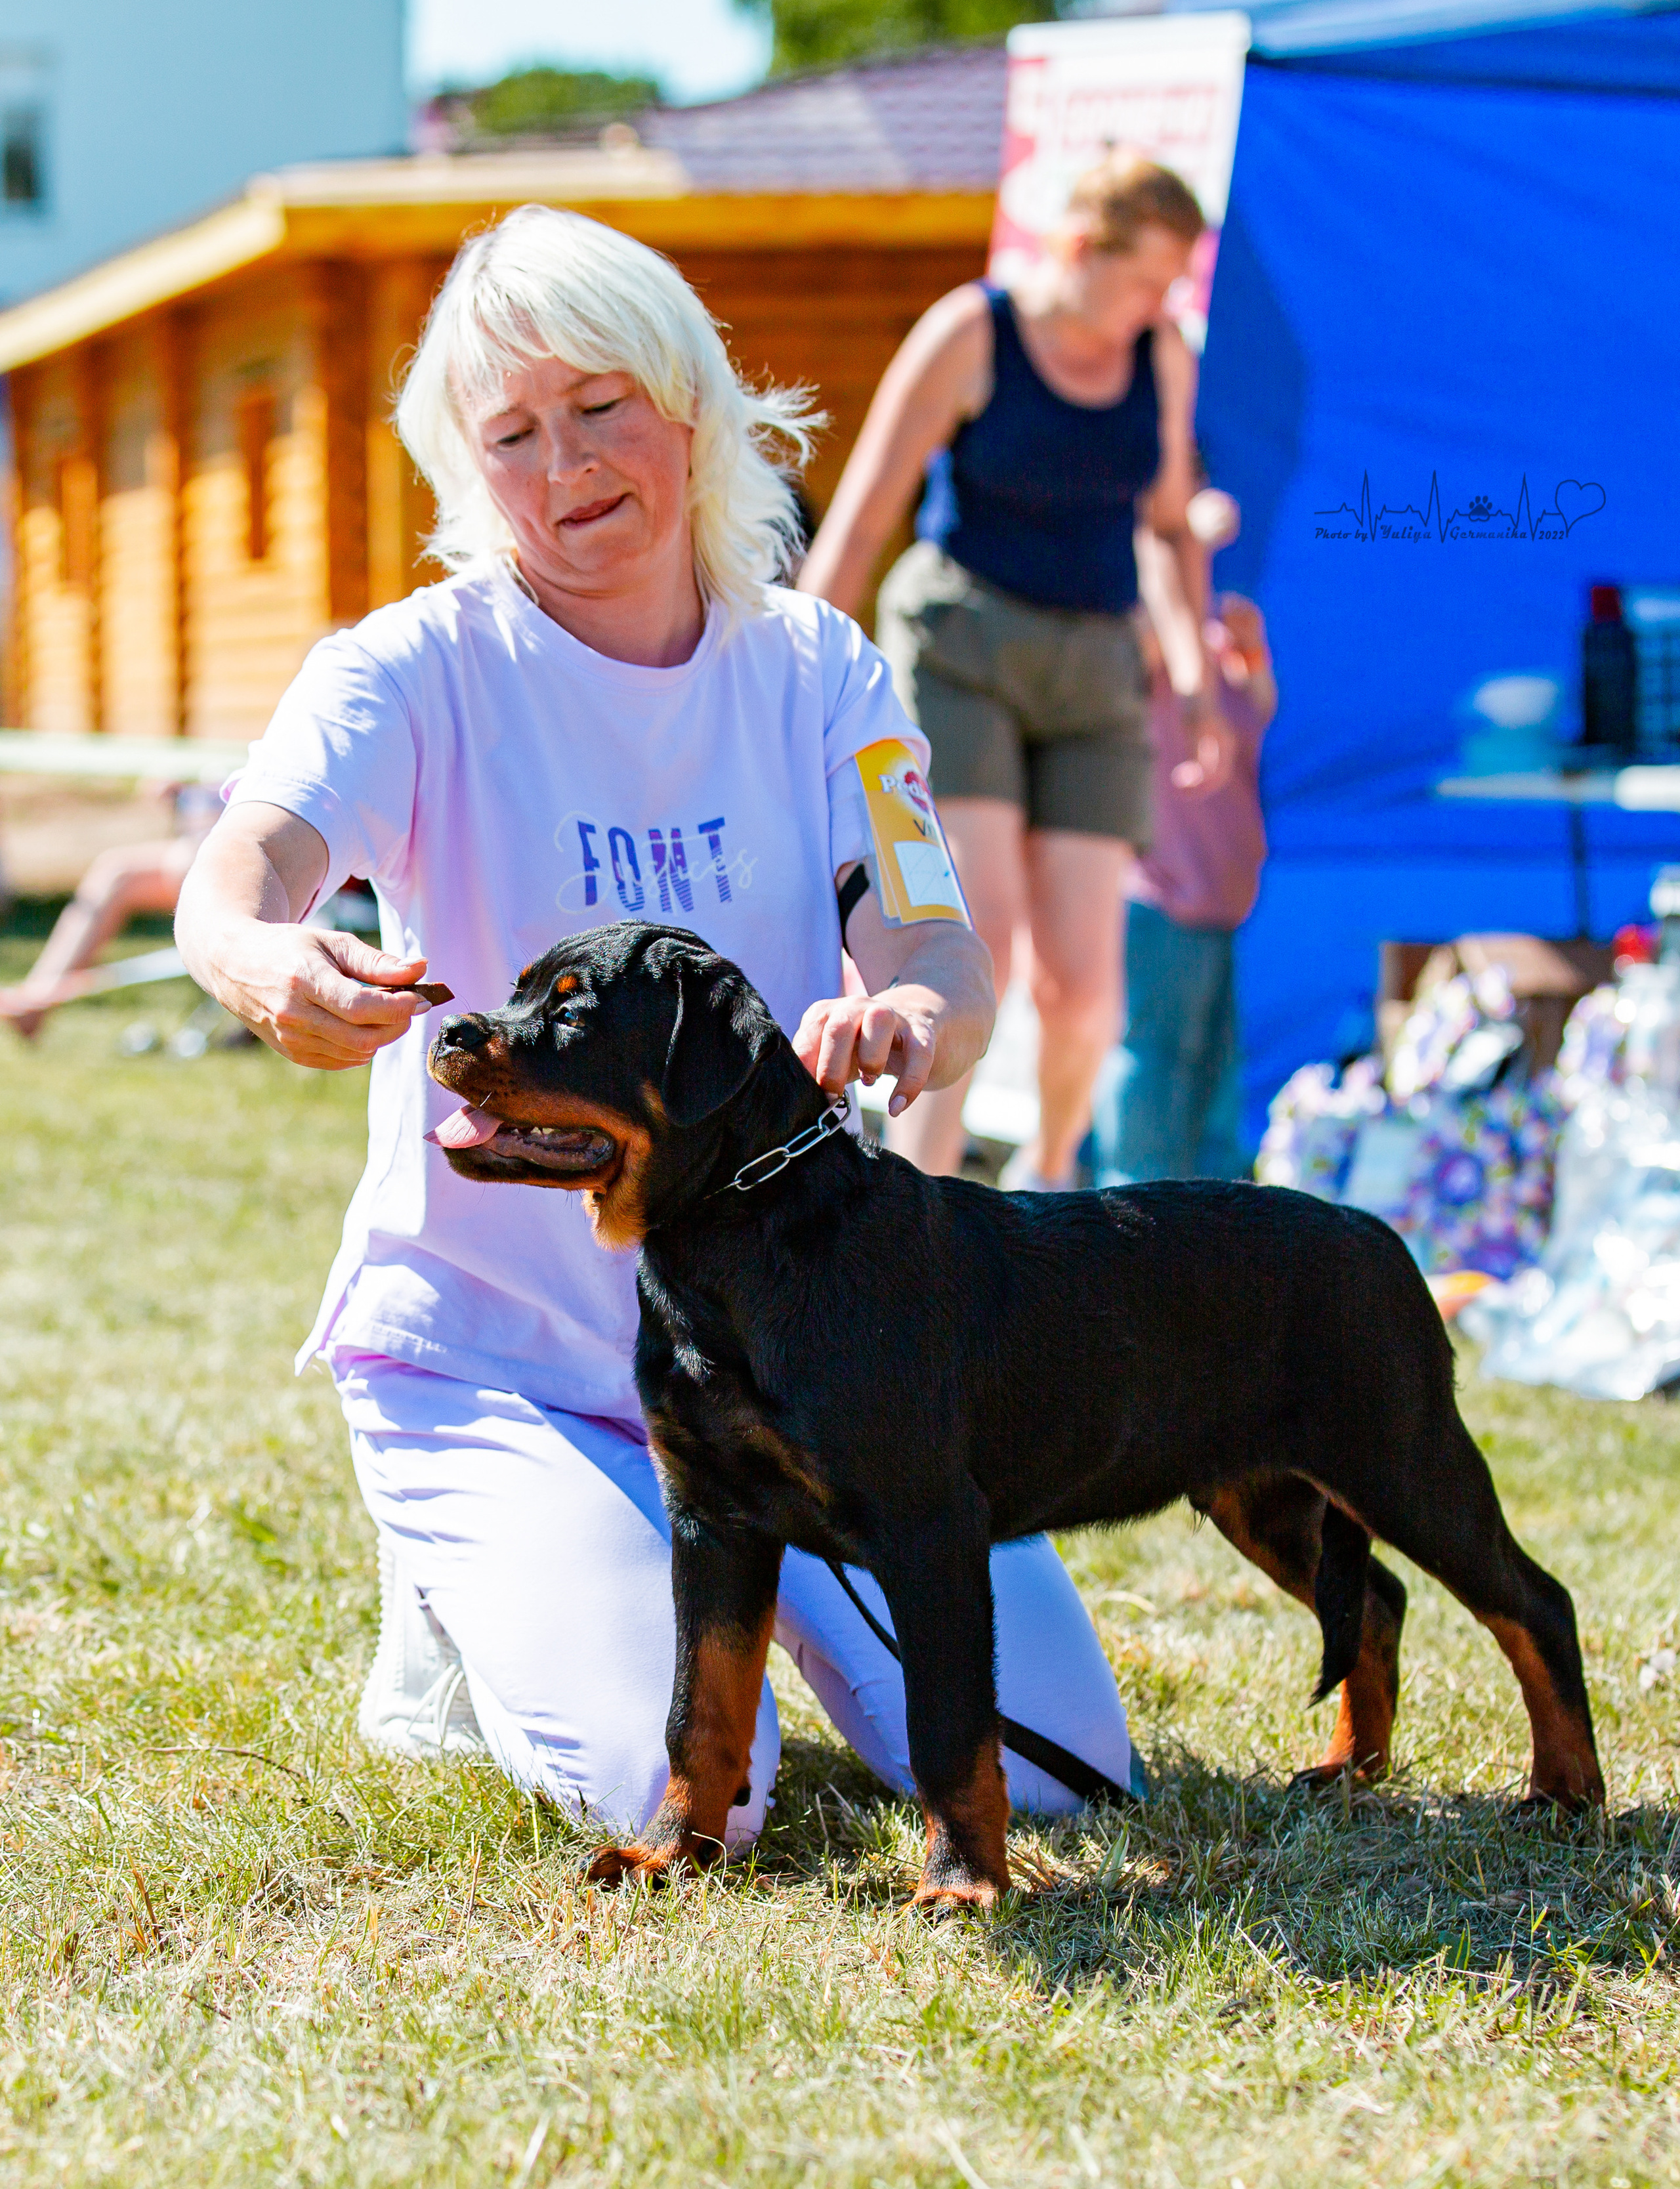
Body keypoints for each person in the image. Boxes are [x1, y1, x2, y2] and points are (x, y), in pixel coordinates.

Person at [174, 205, 1146, 1838]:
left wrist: (913, 1007)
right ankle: (460, 1609)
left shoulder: (823, 669)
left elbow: (934, 944)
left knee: (1061, 1774)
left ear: (690, 401)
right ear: (468, 471)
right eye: (512, 434)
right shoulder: (410, 669)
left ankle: (644, 1560)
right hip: (496, 1355)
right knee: (689, 1792)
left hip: (795, 1362)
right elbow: (240, 871)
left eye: (601, 404)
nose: (566, 464)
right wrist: (259, 958)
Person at [796, 153, 1235, 1187]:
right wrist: (791, 676)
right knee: (972, 933)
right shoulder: (973, 331)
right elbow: (860, 521)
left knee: (1083, 986)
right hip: (965, 648)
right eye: (1147, 277)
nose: (1161, 302)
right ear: (1082, 250)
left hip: (1093, 669)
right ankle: (922, 1197)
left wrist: (1194, 675)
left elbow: (1167, 528)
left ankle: (1046, 1187)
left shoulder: (1160, 352)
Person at [1090, 507, 1276, 1186]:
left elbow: (1254, 721)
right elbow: (1143, 638)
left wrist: (1252, 661)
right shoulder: (1146, 633)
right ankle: (1129, 1211)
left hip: (1223, 902)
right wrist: (1181, 538)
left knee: (1214, 1072)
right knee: (1151, 1062)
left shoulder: (1219, 637)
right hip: (1161, 896)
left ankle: (1212, 1222)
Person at [0, 782, 219, 1038]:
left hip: (238, 861)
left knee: (184, 864)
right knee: (116, 873)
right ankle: (38, 998)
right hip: (203, 850)